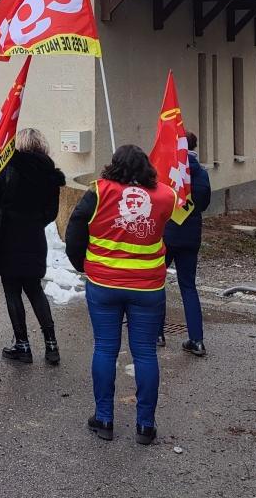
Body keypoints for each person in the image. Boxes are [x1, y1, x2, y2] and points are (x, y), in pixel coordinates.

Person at [65, 144, 190, 445]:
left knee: (105, 349)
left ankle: (104, 418)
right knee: (145, 353)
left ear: (114, 165)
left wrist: (81, 263)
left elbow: (75, 229)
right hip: (147, 288)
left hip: (104, 284)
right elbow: (179, 222)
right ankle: (145, 425)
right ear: (147, 167)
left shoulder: (98, 191)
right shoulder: (165, 195)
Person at [0, 128, 65, 366]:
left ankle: (23, 345)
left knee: (12, 290)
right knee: (35, 289)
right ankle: (51, 344)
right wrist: (33, 222)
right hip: (34, 237)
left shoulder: (8, 167)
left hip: (7, 237)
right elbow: (51, 213)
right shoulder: (50, 174)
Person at [158, 131, 212, 355]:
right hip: (191, 235)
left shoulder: (168, 170)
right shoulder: (202, 173)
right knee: (189, 287)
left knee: (157, 282)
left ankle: (157, 333)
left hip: (167, 233)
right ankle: (197, 340)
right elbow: (204, 203)